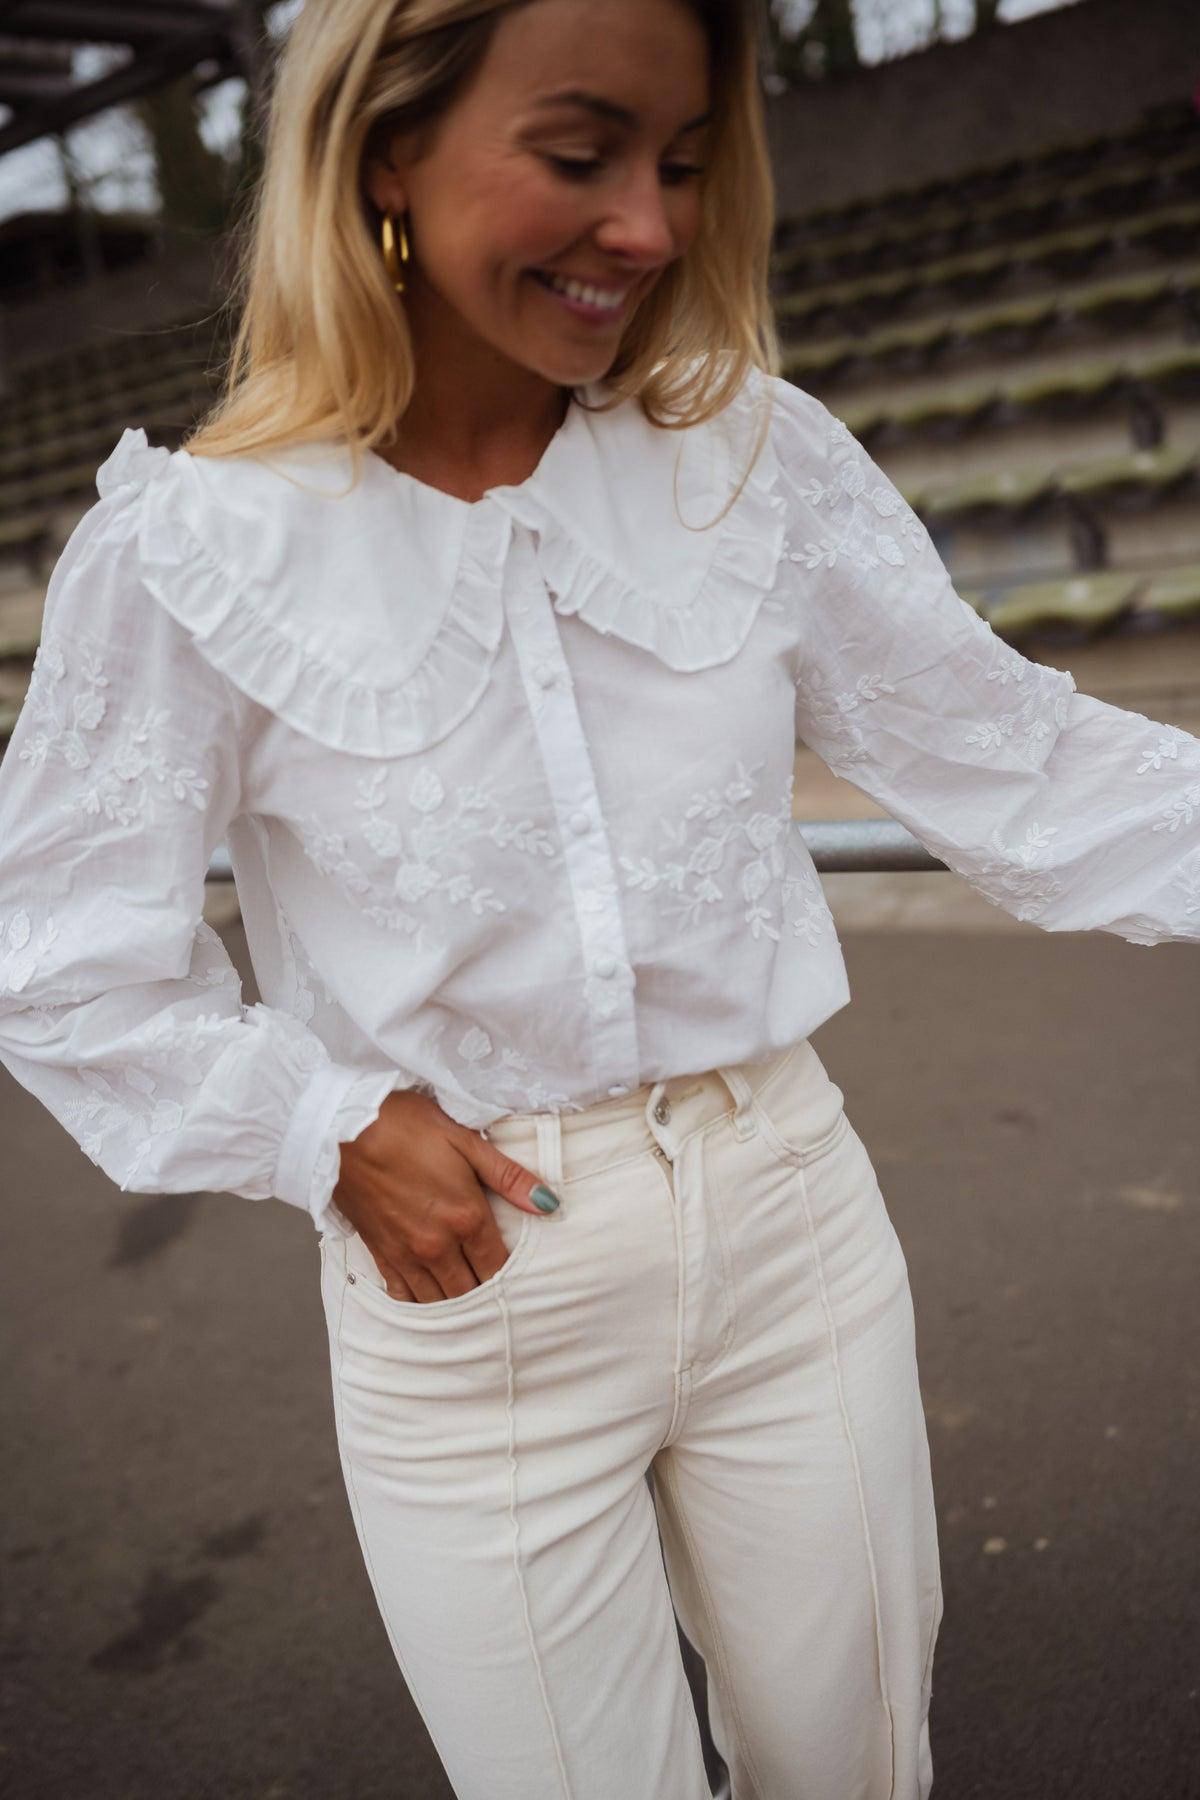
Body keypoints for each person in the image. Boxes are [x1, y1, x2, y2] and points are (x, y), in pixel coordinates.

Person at [0, 0, 1196, 1795]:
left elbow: (1025, 762)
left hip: (793, 1218)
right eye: (579, 156)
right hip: (469, 1289)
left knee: (860, 1770)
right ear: (383, 151)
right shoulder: (191, 554)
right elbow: (63, 966)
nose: (646, 224)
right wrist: (327, 1128)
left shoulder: (756, 463)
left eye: (688, 162)